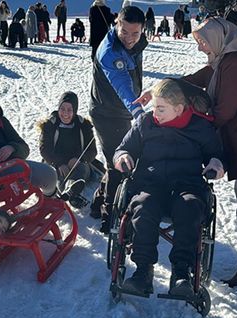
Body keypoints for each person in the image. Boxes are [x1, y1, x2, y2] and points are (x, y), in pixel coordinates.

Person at [134, 18, 237, 290]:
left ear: (217, 38)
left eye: (202, 43)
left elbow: (221, 113)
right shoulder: (223, 61)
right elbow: (194, 81)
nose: (200, 49)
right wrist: (160, 91)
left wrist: (184, 118)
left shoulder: (236, 64)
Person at [114, 78, 224, 297]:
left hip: (187, 185)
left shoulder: (200, 127)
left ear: (179, 108)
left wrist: (215, 163)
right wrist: (123, 156)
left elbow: (217, 154)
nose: (156, 113)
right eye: (154, 107)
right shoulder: (145, 123)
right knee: (143, 207)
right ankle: (143, 272)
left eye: (161, 108)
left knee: (190, 207)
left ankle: (181, 273)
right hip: (150, 184)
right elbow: (122, 149)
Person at [89, 6, 147, 233]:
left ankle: (97, 203)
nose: (130, 39)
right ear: (116, 24)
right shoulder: (110, 52)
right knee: (119, 162)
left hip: (120, 111)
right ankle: (108, 214)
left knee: (117, 159)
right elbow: (123, 85)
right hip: (106, 113)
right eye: (125, 32)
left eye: (136, 33)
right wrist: (138, 112)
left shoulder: (130, 43)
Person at [37, 92, 97, 208]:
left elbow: (92, 150)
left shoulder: (83, 125)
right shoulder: (50, 124)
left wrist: (80, 159)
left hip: (77, 162)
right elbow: (45, 149)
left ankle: (70, 189)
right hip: (55, 161)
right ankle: (71, 194)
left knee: (82, 168)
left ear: (74, 110)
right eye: (62, 109)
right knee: (55, 173)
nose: (65, 113)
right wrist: (59, 163)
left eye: (69, 110)